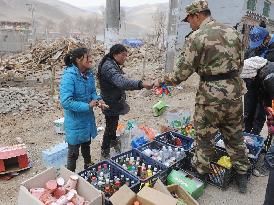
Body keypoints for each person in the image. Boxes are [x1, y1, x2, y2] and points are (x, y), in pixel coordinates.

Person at [154, 0, 250, 193]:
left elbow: (180, 74)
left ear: (197, 15)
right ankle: (241, 176)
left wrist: (161, 81)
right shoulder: (233, 32)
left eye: (189, 20)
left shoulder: (196, 37)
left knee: (204, 136)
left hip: (210, 97)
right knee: (235, 135)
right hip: (233, 94)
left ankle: (201, 174)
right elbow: (240, 64)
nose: (189, 24)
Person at [97, 44, 153, 159]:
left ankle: (113, 142)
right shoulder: (109, 67)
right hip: (109, 102)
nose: (125, 58)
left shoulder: (112, 63)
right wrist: (141, 84)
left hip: (114, 101)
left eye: (126, 55)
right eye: (123, 55)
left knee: (113, 124)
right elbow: (122, 82)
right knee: (110, 127)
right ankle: (105, 151)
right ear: (115, 54)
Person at [60, 47, 107, 172]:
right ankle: (70, 176)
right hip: (75, 121)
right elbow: (66, 102)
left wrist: (98, 100)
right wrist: (88, 106)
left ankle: (88, 167)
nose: (91, 59)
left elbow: (92, 92)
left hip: (87, 119)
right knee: (73, 152)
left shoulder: (89, 73)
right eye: (88, 57)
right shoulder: (69, 76)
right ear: (78, 60)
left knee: (87, 144)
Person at [243, 27, 274, 135]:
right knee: (247, 112)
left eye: (260, 43)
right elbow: (244, 63)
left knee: (259, 114)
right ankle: (245, 134)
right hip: (251, 85)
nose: (258, 46)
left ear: (267, 38)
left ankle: (254, 136)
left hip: (266, 86)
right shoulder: (252, 48)